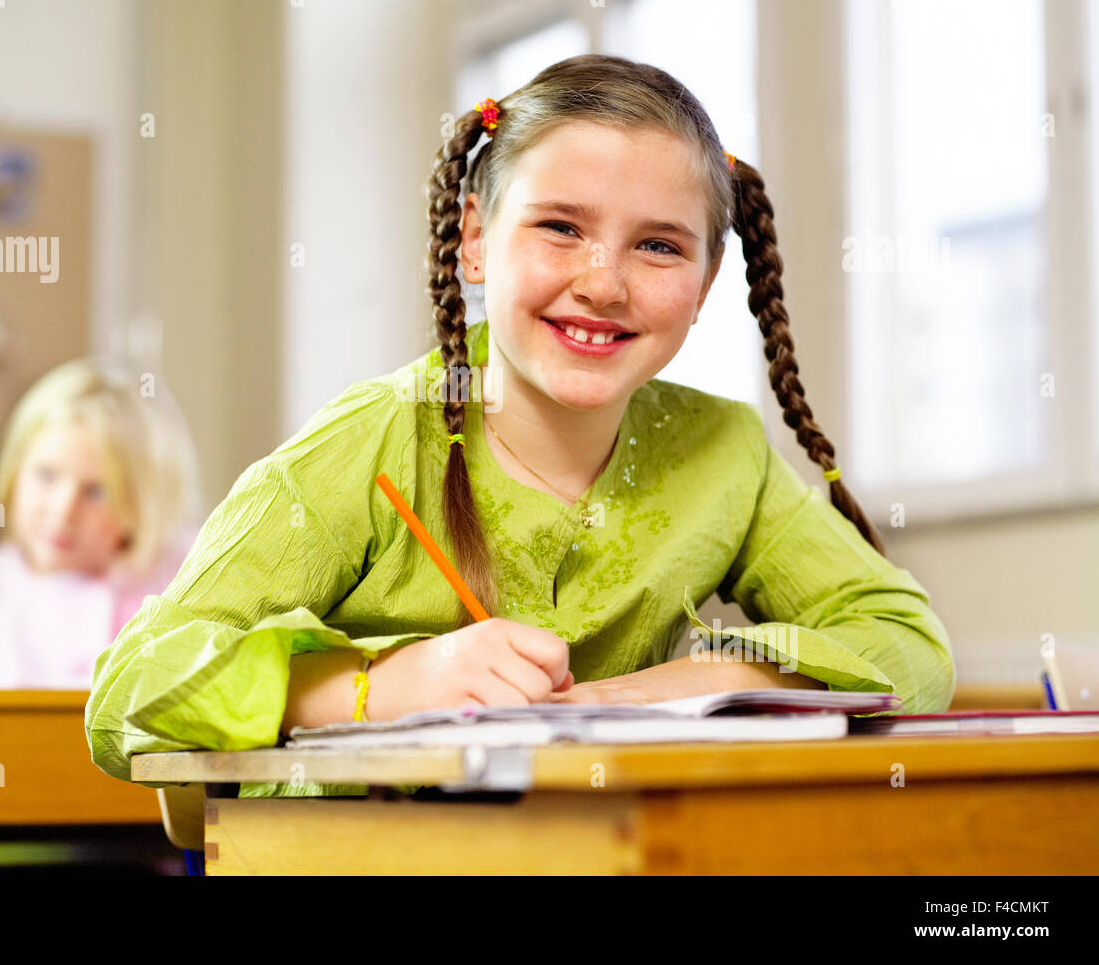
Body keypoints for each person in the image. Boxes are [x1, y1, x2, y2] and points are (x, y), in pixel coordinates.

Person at [87, 54, 955, 795]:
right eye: (560, 227)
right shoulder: (373, 440)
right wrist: (377, 686)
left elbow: (910, 645)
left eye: (659, 245)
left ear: (706, 279)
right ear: (475, 240)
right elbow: (130, 689)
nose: (603, 282)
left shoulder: (727, 451)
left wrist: (693, 683)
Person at [0, 358, 200, 689]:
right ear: (13, 474)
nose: (63, 511)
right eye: (46, 476)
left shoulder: (178, 584)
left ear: (142, 505)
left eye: (96, 492)